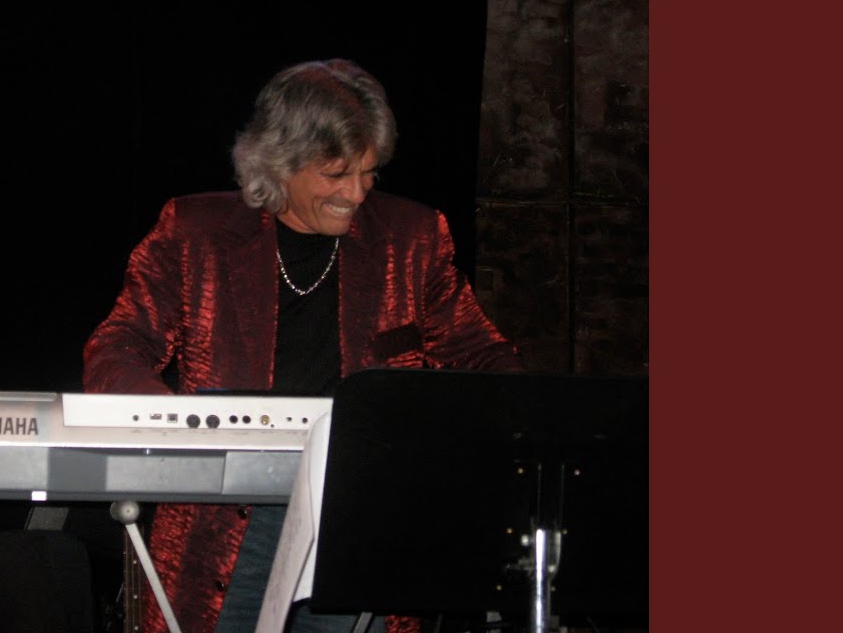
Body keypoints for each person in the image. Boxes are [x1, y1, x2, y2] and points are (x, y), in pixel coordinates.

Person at [82, 59, 524, 633]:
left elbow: (482, 357)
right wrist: (178, 430)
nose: (357, 194)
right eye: (336, 174)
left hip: (355, 514)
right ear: (278, 163)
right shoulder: (194, 231)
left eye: (369, 173)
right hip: (221, 525)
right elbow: (118, 346)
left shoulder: (413, 239)